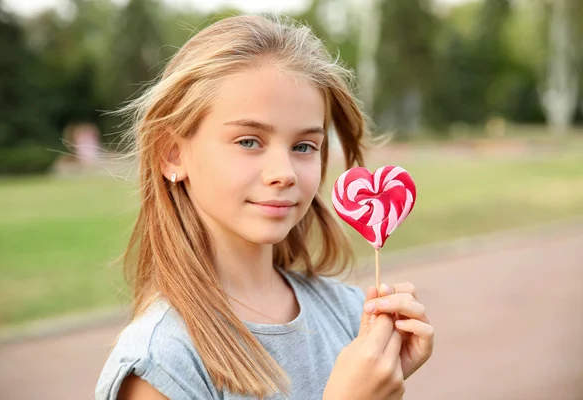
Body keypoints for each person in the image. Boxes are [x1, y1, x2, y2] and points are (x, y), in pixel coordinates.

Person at [95, 14, 434, 400]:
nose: (283, 173)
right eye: (249, 141)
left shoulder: (351, 313)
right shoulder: (162, 363)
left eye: (304, 146)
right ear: (172, 154)